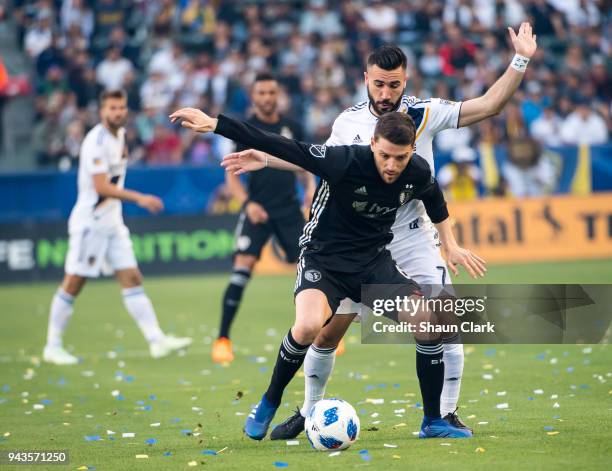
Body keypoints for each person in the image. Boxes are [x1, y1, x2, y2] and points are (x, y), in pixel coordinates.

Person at [222, 22, 537, 441]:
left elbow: (489, 105)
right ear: (365, 80)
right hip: (362, 240)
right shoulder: (348, 122)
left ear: (405, 81)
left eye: (394, 85)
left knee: (443, 318)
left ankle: (443, 415)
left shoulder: (425, 113)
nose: (386, 94)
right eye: (379, 85)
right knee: (328, 331)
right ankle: (310, 411)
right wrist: (266, 159)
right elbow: (316, 160)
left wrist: (520, 60)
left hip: (411, 236)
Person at [169, 107, 486, 440]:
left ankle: (433, 421)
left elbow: (435, 199)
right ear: (373, 143)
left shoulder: (417, 171)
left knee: (428, 321)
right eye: (385, 156)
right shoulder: (345, 161)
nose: (392, 166)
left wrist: (449, 244)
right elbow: (283, 145)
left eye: (401, 158)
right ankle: (269, 401)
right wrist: (218, 124)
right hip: (324, 260)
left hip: (373, 264)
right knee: (308, 327)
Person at [43, 90, 192, 365]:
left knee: (132, 278)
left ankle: (156, 341)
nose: (118, 112)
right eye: (112, 108)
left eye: (122, 107)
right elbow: (101, 187)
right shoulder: (95, 142)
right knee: (74, 282)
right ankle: (52, 345)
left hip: (113, 223)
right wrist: (140, 198)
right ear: (102, 111)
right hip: (92, 223)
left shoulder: (120, 136)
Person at [211, 73, 316, 364]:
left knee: (309, 270)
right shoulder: (244, 129)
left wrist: (309, 192)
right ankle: (222, 339)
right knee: (242, 268)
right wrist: (247, 205)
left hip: (288, 209)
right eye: (262, 93)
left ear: (278, 94)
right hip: (257, 209)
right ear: (253, 96)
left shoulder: (292, 126)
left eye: (272, 92)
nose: (267, 98)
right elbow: (231, 177)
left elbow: (305, 164)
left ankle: (318, 335)